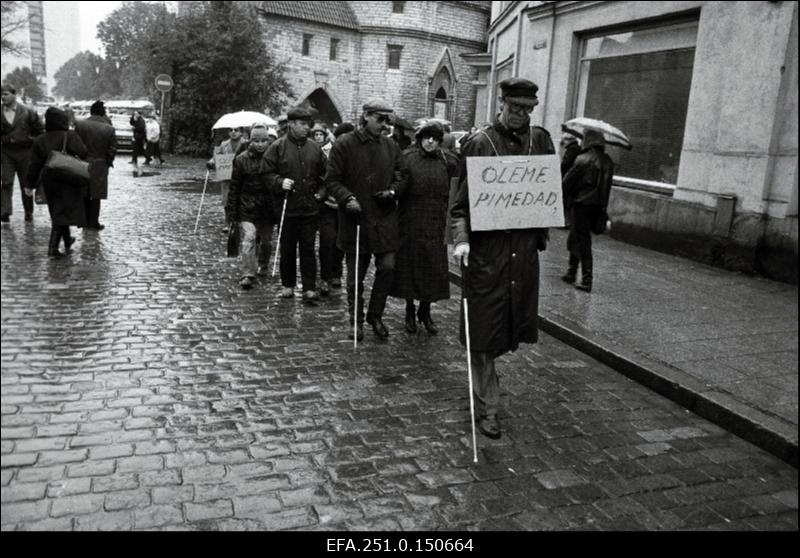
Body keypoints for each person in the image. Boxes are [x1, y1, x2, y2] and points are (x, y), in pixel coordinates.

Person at [450, 77, 555, 440]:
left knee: (507, 332)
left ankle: (488, 376)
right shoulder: (480, 143)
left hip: (522, 254)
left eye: (527, 110)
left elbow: (547, 187)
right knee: (482, 335)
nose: (520, 116)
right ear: (502, 103)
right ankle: (488, 408)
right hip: (487, 255)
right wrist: (461, 239)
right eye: (515, 109)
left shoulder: (540, 140)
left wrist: (543, 227)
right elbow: (460, 203)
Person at [326, 99, 407, 340]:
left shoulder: (391, 147)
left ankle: (375, 315)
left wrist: (392, 191)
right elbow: (332, 180)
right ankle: (356, 321)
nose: (385, 125)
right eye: (380, 119)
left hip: (384, 220)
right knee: (354, 279)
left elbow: (402, 176)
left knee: (388, 268)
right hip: (356, 221)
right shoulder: (344, 144)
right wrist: (347, 197)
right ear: (366, 117)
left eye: (388, 121)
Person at [391, 120, 457, 335]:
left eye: (435, 138)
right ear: (420, 139)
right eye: (427, 137)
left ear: (440, 141)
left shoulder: (448, 161)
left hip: (435, 222)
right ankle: (410, 310)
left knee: (431, 268)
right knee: (410, 267)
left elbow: (456, 190)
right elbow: (398, 185)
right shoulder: (408, 158)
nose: (430, 142)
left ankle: (425, 310)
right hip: (411, 221)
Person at [264, 107, 327, 303]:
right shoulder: (277, 147)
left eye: (308, 124)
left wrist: (321, 194)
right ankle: (288, 284)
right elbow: (265, 173)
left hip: (310, 208)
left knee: (308, 248)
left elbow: (326, 174)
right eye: (301, 124)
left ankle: (309, 287)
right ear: (291, 124)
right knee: (288, 248)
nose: (306, 128)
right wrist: (278, 182)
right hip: (286, 208)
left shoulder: (315, 148)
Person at [26, 107, 89, 257]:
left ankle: (67, 240)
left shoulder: (40, 139)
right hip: (69, 179)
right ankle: (52, 248)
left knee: (58, 210)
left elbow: (34, 165)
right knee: (62, 212)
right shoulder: (70, 136)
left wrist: (29, 184)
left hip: (49, 181)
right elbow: (83, 152)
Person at [561, 128, 614, 293]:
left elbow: (567, 182)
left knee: (581, 240)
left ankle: (586, 279)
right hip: (598, 206)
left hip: (581, 204)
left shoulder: (583, 159)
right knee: (578, 237)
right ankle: (571, 272)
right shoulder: (607, 161)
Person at [225, 127, 276, 290]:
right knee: (250, 237)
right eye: (257, 141)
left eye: (263, 141)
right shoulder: (241, 159)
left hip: (268, 207)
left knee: (267, 241)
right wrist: (232, 212)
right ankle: (248, 272)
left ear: (268, 141)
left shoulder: (274, 157)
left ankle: (263, 264)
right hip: (247, 206)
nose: (260, 145)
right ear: (251, 141)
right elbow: (234, 187)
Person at [317, 122, 354, 295]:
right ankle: (324, 276)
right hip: (327, 205)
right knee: (327, 240)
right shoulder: (324, 152)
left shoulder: (355, 153)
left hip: (344, 205)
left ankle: (335, 274)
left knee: (341, 241)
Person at [1, 84, 44, 223]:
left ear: (14, 95)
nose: (3, 97)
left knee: (26, 183)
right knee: (6, 181)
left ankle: (28, 212)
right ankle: (5, 211)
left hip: (25, 152)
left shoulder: (27, 112)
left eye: (6, 94)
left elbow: (39, 130)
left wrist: (29, 140)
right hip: (6, 152)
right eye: (1, 95)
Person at [74, 100, 117, 231]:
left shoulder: (80, 125)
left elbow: (75, 143)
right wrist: (109, 162)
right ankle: (93, 222)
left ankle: (83, 220)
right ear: (103, 113)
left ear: (91, 111)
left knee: (84, 192)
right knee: (96, 195)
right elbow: (112, 149)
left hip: (82, 162)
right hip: (100, 163)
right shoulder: (109, 129)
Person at [207, 127, 246, 227]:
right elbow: (216, 156)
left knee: (240, 197)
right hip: (226, 175)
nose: (233, 132)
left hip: (241, 176)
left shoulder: (246, 143)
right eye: (231, 130)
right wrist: (212, 161)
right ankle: (227, 221)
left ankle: (239, 220)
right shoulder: (223, 144)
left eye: (236, 130)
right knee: (226, 198)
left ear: (241, 132)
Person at [129, 111, 146, 176]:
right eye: (135, 114)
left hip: (139, 136)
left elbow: (142, 128)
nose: (135, 115)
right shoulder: (136, 119)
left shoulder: (141, 120)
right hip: (137, 136)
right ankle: (134, 159)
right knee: (136, 148)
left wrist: (135, 128)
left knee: (137, 148)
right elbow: (131, 123)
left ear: (139, 114)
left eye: (136, 114)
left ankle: (147, 157)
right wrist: (132, 118)